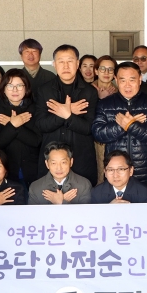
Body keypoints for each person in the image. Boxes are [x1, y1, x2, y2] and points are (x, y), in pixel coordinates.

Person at [92, 61, 147, 187]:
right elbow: (98, 133)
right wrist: (122, 126)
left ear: (140, 79)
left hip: (145, 171)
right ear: (116, 80)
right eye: (122, 80)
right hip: (115, 172)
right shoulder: (105, 104)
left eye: (132, 80)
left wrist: (131, 125)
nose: (127, 85)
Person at [36, 44, 99, 186]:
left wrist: (67, 115)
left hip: (81, 157)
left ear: (77, 64)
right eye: (61, 61)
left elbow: (89, 128)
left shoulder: (89, 92)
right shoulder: (44, 90)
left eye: (70, 61)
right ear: (54, 64)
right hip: (52, 158)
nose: (65, 66)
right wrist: (67, 112)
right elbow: (41, 125)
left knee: (82, 195)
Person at [0, 68, 42, 188]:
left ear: (26, 88)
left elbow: (36, 140)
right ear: (3, 88)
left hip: (33, 168)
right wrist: (13, 125)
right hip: (7, 169)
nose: (15, 90)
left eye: (19, 85)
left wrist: (13, 125)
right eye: (10, 86)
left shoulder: (35, 108)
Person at [92, 56, 119, 184]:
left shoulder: (120, 91)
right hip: (90, 140)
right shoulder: (86, 89)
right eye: (103, 68)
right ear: (96, 71)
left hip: (113, 139)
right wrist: (99, 99)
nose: (106, 72)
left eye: (110, 69)